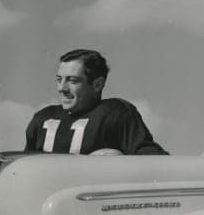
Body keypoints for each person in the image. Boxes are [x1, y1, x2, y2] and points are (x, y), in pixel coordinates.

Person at [24, 48, 168, 155]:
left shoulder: (116, 113)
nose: (62, 88)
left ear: (97, 84)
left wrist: (121, 161)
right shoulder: (42, 118)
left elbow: (154, 160)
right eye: (59, 80)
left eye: (72, 81)